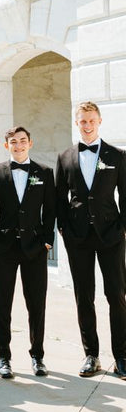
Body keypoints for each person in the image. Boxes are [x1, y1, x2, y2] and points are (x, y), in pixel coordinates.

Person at [56, 101, 126, 380]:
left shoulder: (117, 155)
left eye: (91, 121)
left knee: (116, 296)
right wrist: (64, 229)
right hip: (78, 238)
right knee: (83, 297)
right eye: (82, 121)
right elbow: (59, 198)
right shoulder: (65, 157)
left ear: (99, 121)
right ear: (76, 123)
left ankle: (121, 355)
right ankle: (91, 355)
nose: (87, 125)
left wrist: (122, 228)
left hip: (111, 236)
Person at [0, 126, 55, 379]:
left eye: (23, 141)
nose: (18, 145)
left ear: (30, 143)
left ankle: (38, 356)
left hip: (35, 249)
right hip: (3, 249)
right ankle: (3, 357)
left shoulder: (45, 173)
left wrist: (47, 241)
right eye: (13, 142)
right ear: (7, 146)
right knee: (2, 305)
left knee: (36, 304)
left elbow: (50, 210)